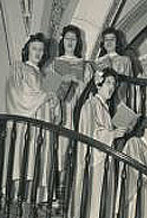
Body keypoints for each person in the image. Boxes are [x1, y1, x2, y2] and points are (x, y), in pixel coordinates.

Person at [6, 34, 61, 201]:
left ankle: (33, 200)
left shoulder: (44, 76)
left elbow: (51, 104)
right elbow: (20, 95)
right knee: (24, 160)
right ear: (27, 50)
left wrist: (55, 102)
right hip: (26, 125)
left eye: (41, 50)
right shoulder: (19, 68)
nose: (38, 53)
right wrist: (45, 96)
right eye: (34, 49)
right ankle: (18, 198)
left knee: (38, 160)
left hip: (42, 125)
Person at [74, 69, 126, 218]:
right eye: (109, 83)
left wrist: (116, 132)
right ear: (99, 84)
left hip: (105, 159)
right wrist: (112, 134)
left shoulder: (104, 108)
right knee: (95, 196)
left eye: (114, 84)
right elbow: (90, 132)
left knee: (103, 196)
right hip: (95, 160)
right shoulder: (91, 104)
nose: (112, 87)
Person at [48, 25, 93, 172]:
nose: (70, 42)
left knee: (77, 142)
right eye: (67, 38)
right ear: (62, 41)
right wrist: (64, 80)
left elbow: (88, 89)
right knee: (61, 142)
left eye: (74, 39)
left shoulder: (84, 65)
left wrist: (79, 82)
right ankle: (59, 173)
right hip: (61, 106)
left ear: (78, 42)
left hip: (77, 105)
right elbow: (48, 89)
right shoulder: (54, 63)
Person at [94, 27, 132, 102]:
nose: (109, 42)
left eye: (112, 39)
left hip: (120, 98)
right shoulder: (98, 62)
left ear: (117, 42)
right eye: (106, 40)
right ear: (103, 43)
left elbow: (129, 83)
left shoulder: (125, 60)